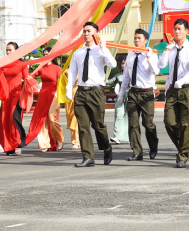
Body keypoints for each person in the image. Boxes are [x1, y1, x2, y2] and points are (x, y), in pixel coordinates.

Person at [65, 22, 116, 167]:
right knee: (83, 126)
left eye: (89, 31)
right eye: (84, 31)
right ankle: (88, 157)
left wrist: (104, 48)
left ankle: (106, 147)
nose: (86, 34)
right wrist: (69, 88)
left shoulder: (101, 50)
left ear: (96, 33)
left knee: (98, 125)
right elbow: (73, 71)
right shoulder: (78, 52)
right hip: (81, 91)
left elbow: (112, 64)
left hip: (96, 91)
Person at [158, 18, 189, 168]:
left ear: (186, 31)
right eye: (175, 29)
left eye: (180, 29)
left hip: (187, 89)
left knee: (186, 123)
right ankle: (183, 147)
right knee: (169, 122)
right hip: (172, 90)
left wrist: (182, 80)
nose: (176, 32)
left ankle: (183, 155)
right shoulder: (171, 49)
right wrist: (167, 50)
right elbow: (161, 65)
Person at [118, 28, 159, 161]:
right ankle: (137, 152)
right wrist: (121, 93)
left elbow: (156, 71)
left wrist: (148, 57)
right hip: (133, 93)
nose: (136, 40)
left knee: (148, 123)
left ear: (145, 40)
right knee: (133, 124)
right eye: (135, 38)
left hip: (147, 94)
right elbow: (126, 76)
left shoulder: (151, 55)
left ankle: (153, 146)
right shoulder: (130, 56)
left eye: (139, 38)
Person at [0, 42, 30, 155]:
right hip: (5, 95)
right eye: (7, 50)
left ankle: (17, 142)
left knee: (13, 117)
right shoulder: (3, 63)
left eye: (10, 50)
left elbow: (27, 79)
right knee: (5, 119)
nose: (8, 52)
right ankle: (8, 146)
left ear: (16, 50)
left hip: (17, 93)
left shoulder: (22, 64)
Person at [27, 49, 64, 152]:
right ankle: (44, 144)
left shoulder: (57, 68)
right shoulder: (41, 68)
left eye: (48, 54)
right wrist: (28, 79)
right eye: (44, 55)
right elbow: (31, 75)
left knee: (52, 118)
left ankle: (59, 140)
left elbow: (62, 82)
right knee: (42, 119)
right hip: (43, 95)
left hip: (54, 95)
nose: (46, 56)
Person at [107, 59, 128, 145]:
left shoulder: (133, 75)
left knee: (130, 117)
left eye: (125, 63)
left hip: (131, 97)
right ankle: (117, 137)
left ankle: (130, 136)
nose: (124, 65)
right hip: (120, 97)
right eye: (122, 63)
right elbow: (108, 82)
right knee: (119, 115)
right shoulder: (118, 76)